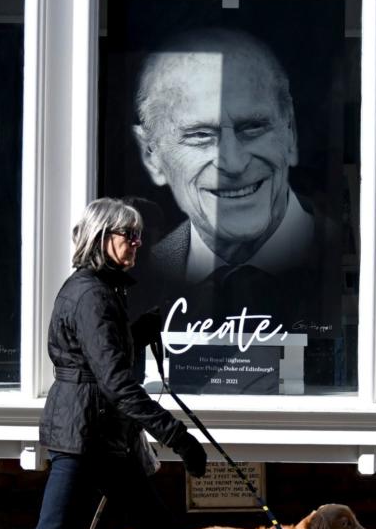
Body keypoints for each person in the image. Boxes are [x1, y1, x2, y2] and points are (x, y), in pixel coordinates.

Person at [0, 198, 234, 529]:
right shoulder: (90, 294)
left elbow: (100, 357)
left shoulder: (101, 293)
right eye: (128, 235)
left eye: (139, 236)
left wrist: (133, 332)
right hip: (83, 439)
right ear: (102, 238)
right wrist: (176, 436)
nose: (137, 245)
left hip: (103, 438)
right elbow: (114, 384)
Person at [130, 27, 336, 328]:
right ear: (151, 155)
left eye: (252, 127)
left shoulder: (344, 255)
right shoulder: (144, 270)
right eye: (200, 135)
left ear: (290, 131)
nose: (234, 163)